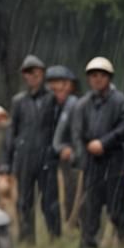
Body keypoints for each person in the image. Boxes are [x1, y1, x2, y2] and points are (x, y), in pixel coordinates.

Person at [72, 57, 124, 248]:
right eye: (93, 76)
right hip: (93, 166)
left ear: (109, 78)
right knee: (90, 210)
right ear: (89, 79)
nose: (97, 79)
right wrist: (83, 155)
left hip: (116, 164)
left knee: (116, 210)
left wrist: (105, 143)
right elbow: (77, 133)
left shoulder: (119, 101)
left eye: (102, 75)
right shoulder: (83, 104)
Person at [3, 55, 60, 243]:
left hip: (46, 156)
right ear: (24, 76)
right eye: (28, 72)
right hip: (25, 157)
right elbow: (13, 131)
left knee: (50, 201)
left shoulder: (53, 99)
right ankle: (27, 239)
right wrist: (8, 161)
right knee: (24, 202)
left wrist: (56, 151)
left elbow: (59, 127)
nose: (32, 75)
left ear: (42, 73)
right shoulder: (19, 101)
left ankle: (55, 238)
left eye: (36, 71)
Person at [47, 65, 81, 226]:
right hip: (55, 156)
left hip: (73, 157)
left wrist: (70, 149)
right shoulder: (51, 106)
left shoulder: (75, 104)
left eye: (59, 83)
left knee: (72, 191)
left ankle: (74, 223)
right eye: (52, 84)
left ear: (70, 85)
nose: (56, 88)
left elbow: (78, 133)